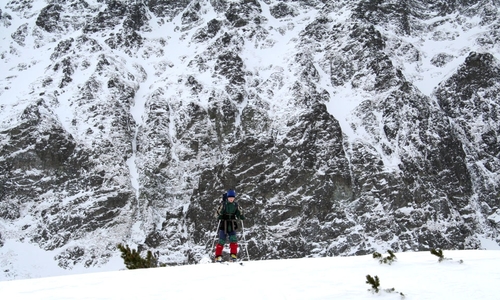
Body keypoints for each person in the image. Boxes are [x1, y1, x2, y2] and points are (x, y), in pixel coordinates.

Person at [214, 189, 245, 262]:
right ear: (227, 197)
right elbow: (217, 213)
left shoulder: (236, 205)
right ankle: (218, 256)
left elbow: (239, 213)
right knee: (221, 240)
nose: (231, 199)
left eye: (232, 197)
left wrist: (241, 216)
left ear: (234, 198)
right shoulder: (223, 205)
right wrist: (219, 216)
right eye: (230, 197)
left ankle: (233, 255)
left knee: (233, 239)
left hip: (232, 224)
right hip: (224, 224)